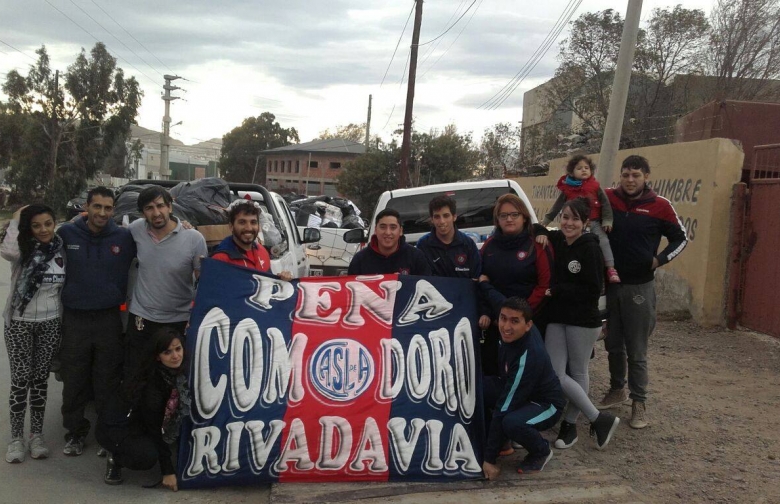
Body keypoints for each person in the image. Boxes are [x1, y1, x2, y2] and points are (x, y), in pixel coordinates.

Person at [598, 155, 688, 429]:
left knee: (636, 349)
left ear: (646, 176)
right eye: (626, 174)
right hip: (610, 285)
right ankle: (617, 389)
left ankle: (639, 402)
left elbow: (681, 238)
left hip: (639, 287)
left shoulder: (660, 206)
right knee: (612, 343)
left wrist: (658, 260)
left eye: (636, 175)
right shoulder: (607, 199)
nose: (630, 180)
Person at [534, 197, 620, 450]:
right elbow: (535, 227)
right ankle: (598, 418)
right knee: (555, 374)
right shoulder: (558, 240)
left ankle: (569, 425)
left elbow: (592, 289)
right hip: (557, 319)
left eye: (574, 219)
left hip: (582, 321)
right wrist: (540, 231)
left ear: (585, 223)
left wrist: (556, 290)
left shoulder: (590, 248)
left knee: (578, 371)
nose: (568, 223)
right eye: (565, 217)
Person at [57, 187, 136, 457]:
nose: (102, 212)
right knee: (75, 379)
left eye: (108, 207)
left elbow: (155, 237)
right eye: (97, 206)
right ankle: (75, 433)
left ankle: (106, 434)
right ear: (87, 207)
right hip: (75, 319)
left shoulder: (125, 237)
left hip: (108, 319)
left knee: (107, 382)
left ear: (114, 210)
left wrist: (183, 226)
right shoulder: (66, 233)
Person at [1, 204, 65, 463]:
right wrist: (17, 218)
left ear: (54, 224)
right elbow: (7, 249)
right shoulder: (22, 250)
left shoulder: (60, 249)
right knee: (20, 380)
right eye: (36, 225)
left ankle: (36, 435)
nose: (43, 230)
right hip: (20, 322)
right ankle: (16, 438)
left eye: (48, 223)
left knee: (40, 380)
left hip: (50, 322)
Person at [124, 185, 207, 382]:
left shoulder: (194, 239)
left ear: (170, 206)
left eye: (160, 206)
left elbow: (203, 282)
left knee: (175, 380)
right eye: (149, 208)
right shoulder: (136, 230)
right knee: (136, 376)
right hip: (142, 319)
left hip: (177, 321)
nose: (156, 213)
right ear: (143, 213)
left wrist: (196, 317)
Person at [96, 327, 189, 490]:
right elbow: (155, 427)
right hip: (118, 429)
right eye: (167, 352)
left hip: (142, 423)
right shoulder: (151, 386)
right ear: (158, 357)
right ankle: (115, 458)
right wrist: (168, 471)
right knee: (146, 456)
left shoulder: (176, 372)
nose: (175, 356)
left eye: (178, 349)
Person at [482, 297, 564, 480]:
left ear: (528, 325)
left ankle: (541, 451)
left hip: (546, 404)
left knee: (511, 421)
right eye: (503, 318)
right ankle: (500, 441)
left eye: (514, 321)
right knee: (478, 388)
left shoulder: (528, 356)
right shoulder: (510, 326)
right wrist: (483, 283)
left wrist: (489, 459)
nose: (506, 326)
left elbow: (504, 407)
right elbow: (499, 301)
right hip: (521, 391)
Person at [478, 194, 552, 375]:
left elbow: (544, 286)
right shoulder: (489, 245)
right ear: (497, 219)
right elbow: (480, 280)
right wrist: (489, 313)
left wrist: (519, 317)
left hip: (527, 324)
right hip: (497, 324)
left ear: (524, 216)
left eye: (514, 214)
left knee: (525, 375)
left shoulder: (537, 244)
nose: (509, 219)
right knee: (493, 372)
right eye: (503, 215)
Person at [541, 154, 620, 283]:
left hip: (593, 222)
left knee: (603, 242)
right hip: (575, 227)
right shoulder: (567, 189)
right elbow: (557, 206)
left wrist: (607, 221)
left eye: (586, 167)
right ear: (572, 172)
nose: (584, 170)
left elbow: (605, 204)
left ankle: (610, 269)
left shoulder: (595, 186)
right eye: (579, 168)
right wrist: (545, 222)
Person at [211, 199, 292, 281]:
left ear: (258, 226)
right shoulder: (220, 260)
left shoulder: (262, 251)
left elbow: (267, 287)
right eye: (242, 222)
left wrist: (282, 281)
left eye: (253, 222)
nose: (249, 228)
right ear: (231, 226)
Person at [347, 208, 431, 276]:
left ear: (401, 231)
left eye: (393, 227)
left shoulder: (416, 257)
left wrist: (404, 283)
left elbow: (426, 288)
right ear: (375, 230)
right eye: (383, 227)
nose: (387, 232)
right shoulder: (360, 260)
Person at [415, 195, 481, 279]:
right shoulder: (423, 245)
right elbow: (421, 280)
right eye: (437, 217)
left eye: (446, 216)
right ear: (432, 219)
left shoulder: (468, 244)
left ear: (454, 217)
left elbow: (476, 277)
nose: (442, 221)